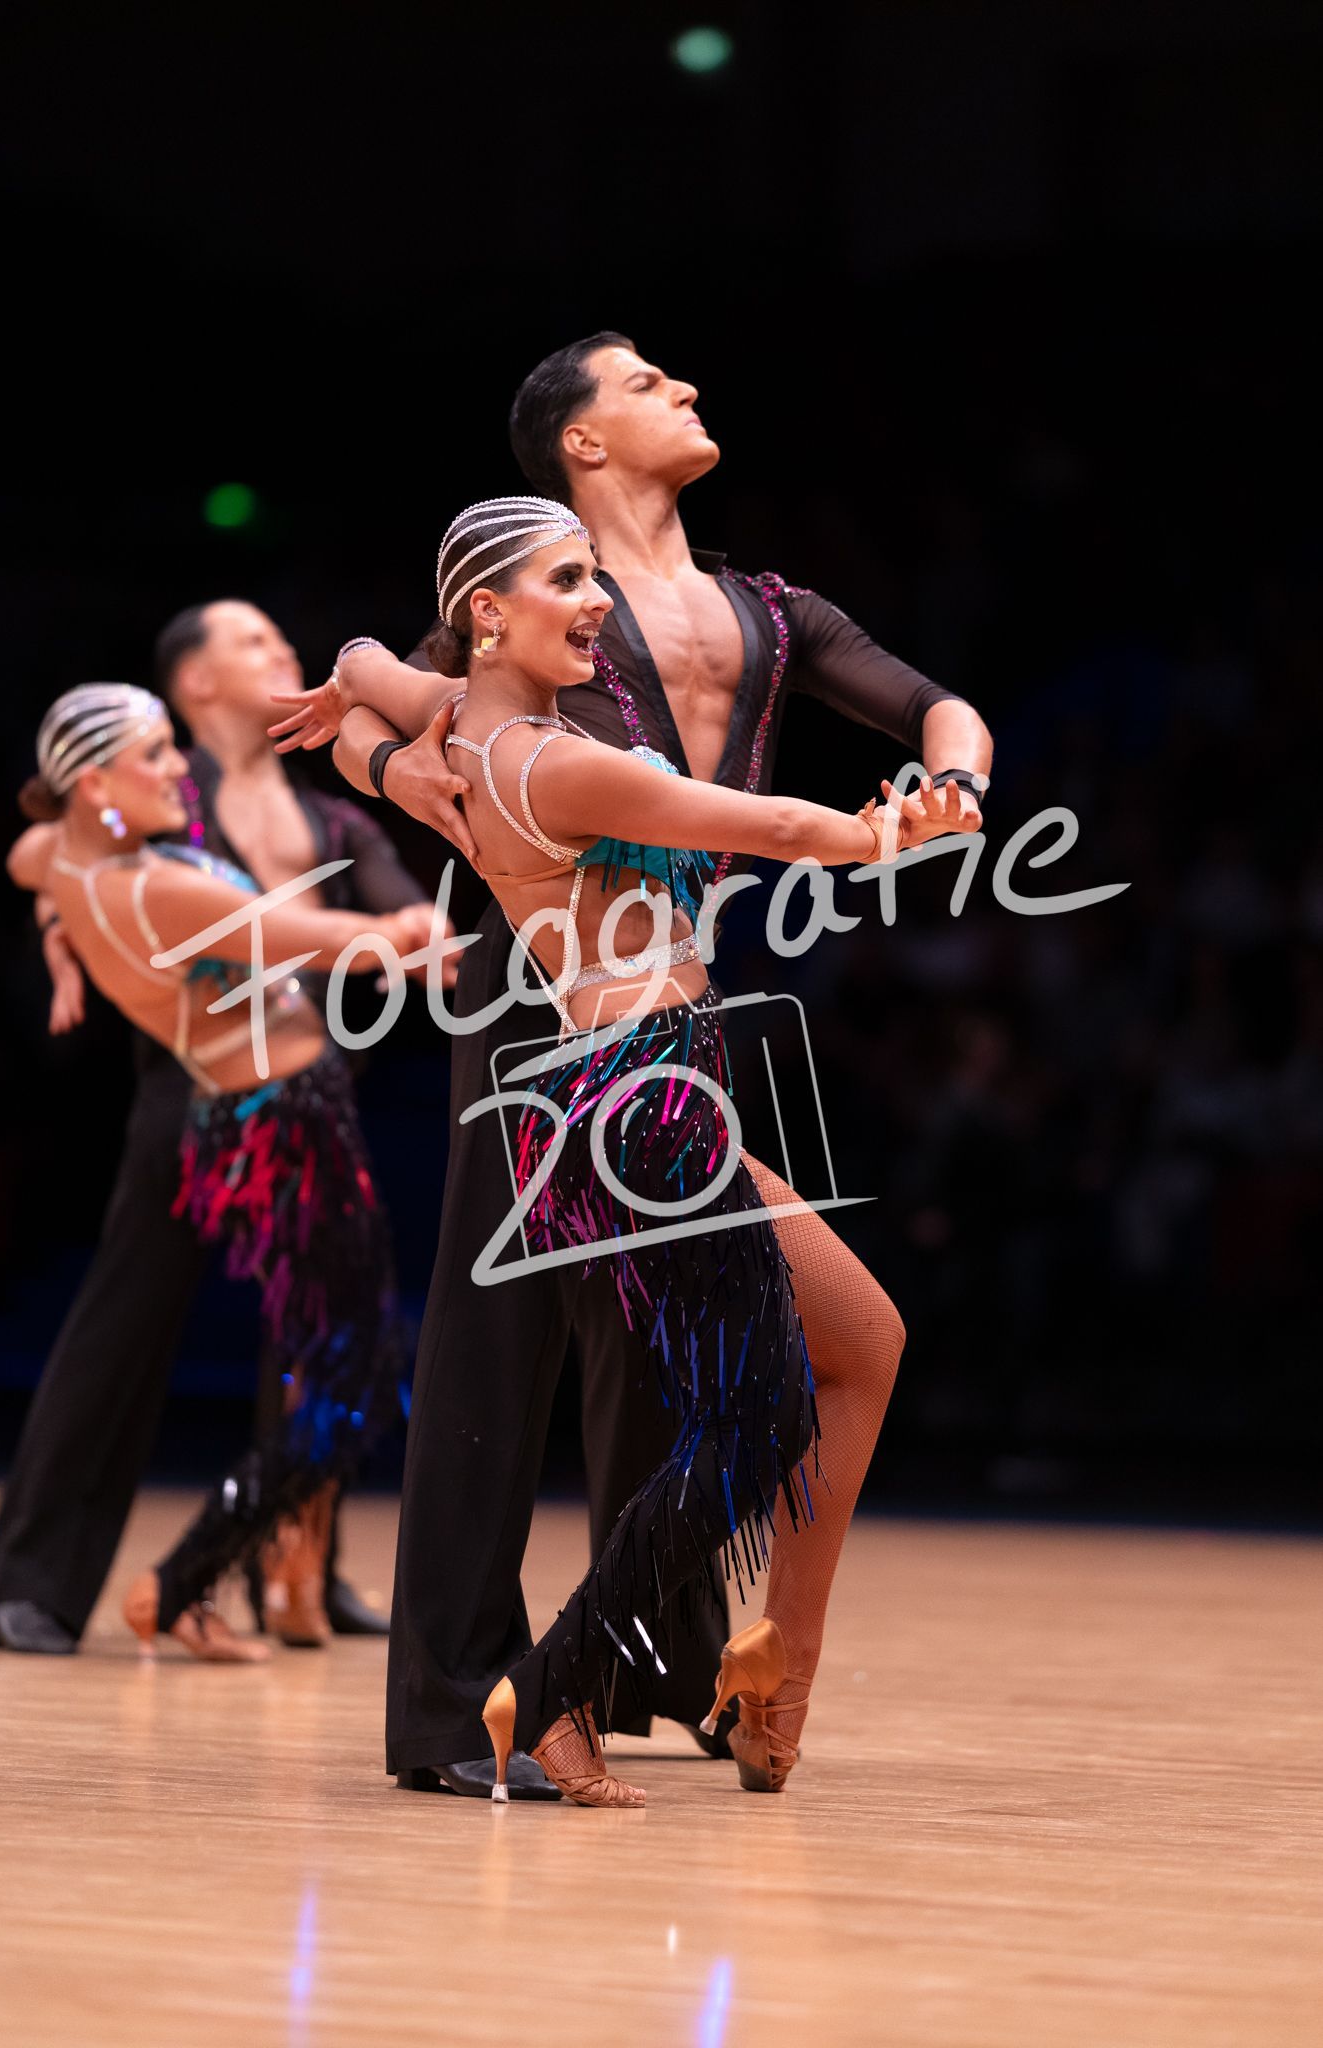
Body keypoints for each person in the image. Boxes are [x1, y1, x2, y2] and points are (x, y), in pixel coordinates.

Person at [274, 336, 991, 1798]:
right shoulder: (529, 634)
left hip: (671, 1022)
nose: (686, 388)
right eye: (648, 382)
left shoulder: (756, 612)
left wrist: (956, 780)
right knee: (518, 1348)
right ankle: (492, 1699)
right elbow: (379, 703)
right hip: (565, 1025)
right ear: (581, 442)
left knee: (748, 1366)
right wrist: (398, 768)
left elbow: (933, 702)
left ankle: (718, 1675)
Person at [0, 606, 444, 1656]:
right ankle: (37, 1582)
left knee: (319, 1337)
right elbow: (52, 855)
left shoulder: (329, 816)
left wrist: (427, 940)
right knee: (126, 1327)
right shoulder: (152, 788)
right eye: (253, 642)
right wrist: (59, 936)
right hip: (185, 1101)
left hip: (304, 1093)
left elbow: (395, 913)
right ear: (193, 682)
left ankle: (291, 1571)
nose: (283, 649)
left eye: (280, 640)